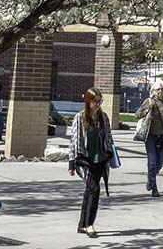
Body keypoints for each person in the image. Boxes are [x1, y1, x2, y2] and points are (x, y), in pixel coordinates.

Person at [68, 87, 115, 238]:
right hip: (86, 160)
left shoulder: (104, 117)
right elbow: (74, 141)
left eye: (100, 101)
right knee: (94, 190)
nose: (98, 104)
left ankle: (82, 224)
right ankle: (89, 225)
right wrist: (72, 162)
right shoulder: (80, 118)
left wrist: (109, 154)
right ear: (88, 101)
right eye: (95, 101)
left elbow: (108, 137)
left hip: (101, 159)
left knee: (89, 191)